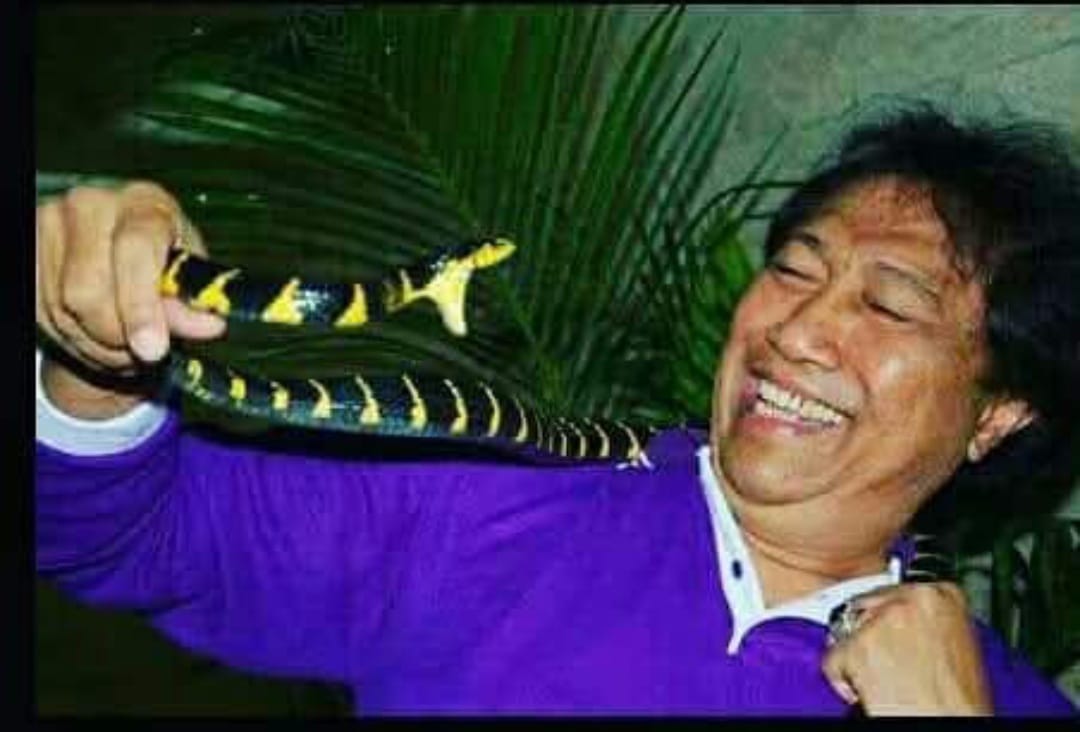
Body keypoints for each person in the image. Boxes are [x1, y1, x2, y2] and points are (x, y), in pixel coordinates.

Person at [35, 106, 1080, 716]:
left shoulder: (999, 697)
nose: (798, 329)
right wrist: (106, 351)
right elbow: (130, 531)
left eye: (890, 305)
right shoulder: (492, 505)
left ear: (1000, 414)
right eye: (795, 268)